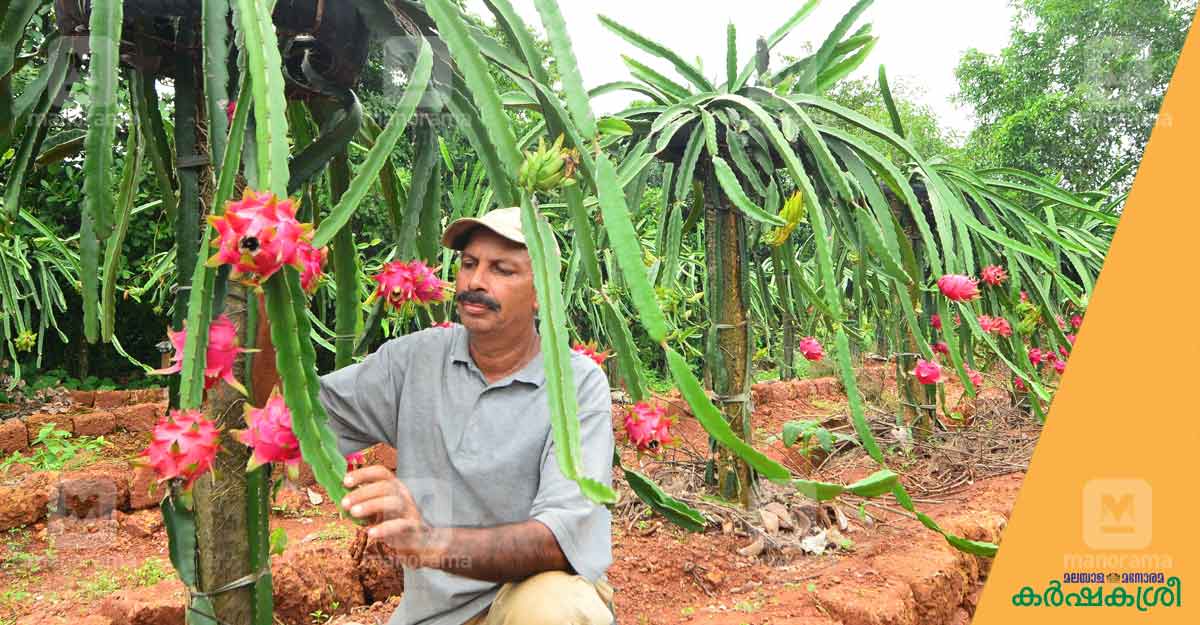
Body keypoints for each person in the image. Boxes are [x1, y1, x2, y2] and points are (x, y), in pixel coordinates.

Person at [252, 206, 617, 625]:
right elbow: (289, 419)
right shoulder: (414, 360)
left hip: (524, 601)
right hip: (431, 617)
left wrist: (430, 543)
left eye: (502, 269)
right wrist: (269, 304)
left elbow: (558, 540)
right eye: (468, 264)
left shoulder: (577, 384)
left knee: (557, 609)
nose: (475, 282)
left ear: (543, 293)